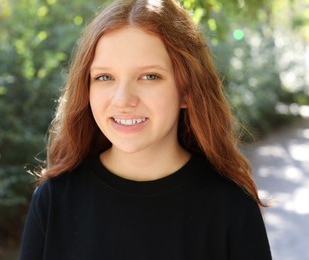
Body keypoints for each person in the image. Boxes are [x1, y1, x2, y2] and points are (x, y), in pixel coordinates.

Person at [20, 0, 272, 259]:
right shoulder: (53, 201)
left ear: (187, 91)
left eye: (149, 76)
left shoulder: (232, 207)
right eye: (104, 77)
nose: (123, 99)